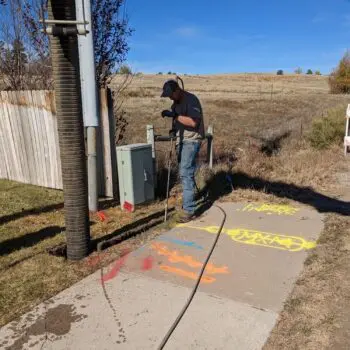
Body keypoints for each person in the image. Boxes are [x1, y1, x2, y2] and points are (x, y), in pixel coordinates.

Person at [161, 79, 205, 222]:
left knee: (185, 172)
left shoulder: (191, 100)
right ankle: (189, 202)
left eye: (171, 95)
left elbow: (193, 122)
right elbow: (177, 122)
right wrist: (173, 130)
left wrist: (175, 115)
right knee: (185, 172)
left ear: (177, 90)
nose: (170, 98)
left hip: (191, 140)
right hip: (181, 141)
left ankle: (189, 210)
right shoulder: (175, 104)